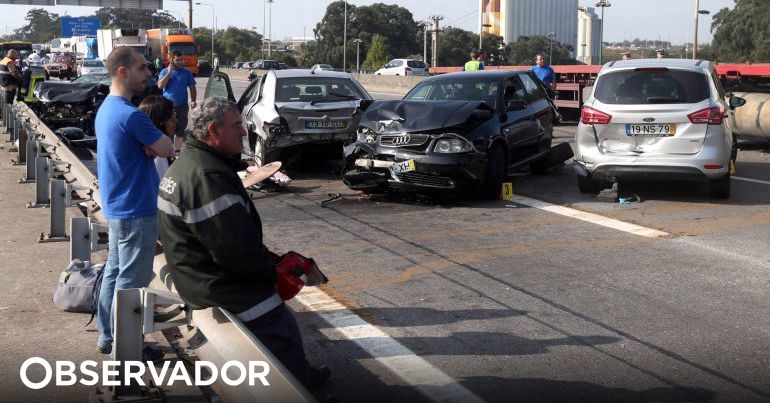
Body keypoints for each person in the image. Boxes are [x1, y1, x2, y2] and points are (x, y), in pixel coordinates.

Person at [157, 97, 328, 389]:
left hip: (197, 277)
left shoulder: (187, 163)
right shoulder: (208, 177)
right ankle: (299, 389)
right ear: (213, 131)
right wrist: (271, 274)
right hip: (216, 286)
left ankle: (302, 377)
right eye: (237, 126)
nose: (244, 132)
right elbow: (236, 254)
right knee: (279, 322)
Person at [94, 47, 175, 357]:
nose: (148, 73)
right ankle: (126, 352)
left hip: (117, 207)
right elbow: (167, 146)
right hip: (136, 210)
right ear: (123, 72)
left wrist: (150, 146)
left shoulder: (107, 109)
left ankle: (108, 338)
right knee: (131, 284)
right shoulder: (130, 114)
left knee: (114, 275)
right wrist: (154, 145)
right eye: (142, 68)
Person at [157, 49, 197, 151]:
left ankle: (177, 151)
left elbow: (192, 86)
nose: (180, 62)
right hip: (168, 107)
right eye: (178, 60)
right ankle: (169, 151)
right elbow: (160, 86)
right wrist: (169, 73)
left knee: (180, 129)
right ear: (171, 59)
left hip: (182, 106)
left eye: (181, 59)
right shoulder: (164, 71)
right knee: (168, 129)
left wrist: (193, 100)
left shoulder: (186, 72)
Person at [138, 95, 177, 179]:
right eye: (172, 119)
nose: (176, 121)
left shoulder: (144, 146)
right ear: (161, 122)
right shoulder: (158, 156)